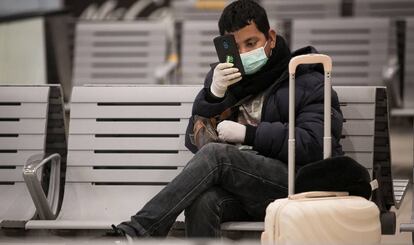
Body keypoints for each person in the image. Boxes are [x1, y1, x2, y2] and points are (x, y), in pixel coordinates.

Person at [112, 0, 344, 238]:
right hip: (247, 190)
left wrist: (249, 134)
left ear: (271, 38)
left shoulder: (307, 80)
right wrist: (214, 97)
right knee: (203, 200)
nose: (244, 53)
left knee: (217, 155)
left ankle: (138, 231)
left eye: (251, 43)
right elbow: (197, 144)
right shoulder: (225, 80)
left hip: (296, 186)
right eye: (236, 47)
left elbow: (315, 145)